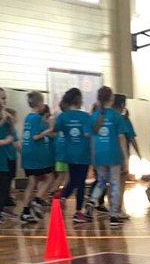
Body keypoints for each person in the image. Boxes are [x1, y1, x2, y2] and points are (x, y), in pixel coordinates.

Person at [89, 86, 127, 226]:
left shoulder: (94, 116)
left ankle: (93, 199)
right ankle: (114, 215)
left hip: (99, 153)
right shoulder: (117, 116)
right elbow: (121, 137)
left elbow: (91, 137)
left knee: (101, 181)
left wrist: (93, 157)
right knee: (115, 183)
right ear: (111, 99)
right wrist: (126, 158)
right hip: (113, 154)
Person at [54, 88, 94, 222]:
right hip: (83, 154)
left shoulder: (63, 116)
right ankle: (78, 212)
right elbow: (89, 134)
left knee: (73, 180)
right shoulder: (86, 116)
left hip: (70, 154)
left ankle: (62, 196)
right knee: (80, 182)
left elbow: (54, 131)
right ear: (79, 100)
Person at [19, 91, 54, 224]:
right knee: (49, 177)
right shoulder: (35, 118)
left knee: (32, 182)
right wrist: (49, 129)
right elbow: (35, 136)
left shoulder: (28, 117)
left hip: (27, 153)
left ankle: (25, 212)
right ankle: (37, 200)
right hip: (35, 153)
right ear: (40, 104)